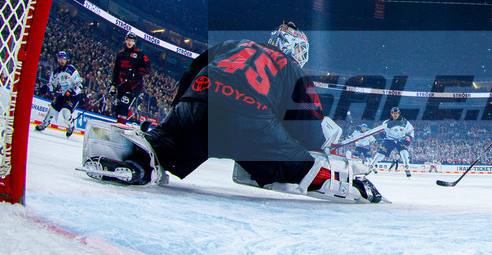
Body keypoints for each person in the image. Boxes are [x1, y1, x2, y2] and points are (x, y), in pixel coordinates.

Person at [80, 21, 383, 203]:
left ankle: (139, 158)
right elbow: (305, 126)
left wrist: (177, 115)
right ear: (294, 49)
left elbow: (192, 71)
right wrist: (320, 142)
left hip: (196, 106)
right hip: (251, 124)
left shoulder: (235, 44)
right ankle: (345, 183)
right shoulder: (290, 67)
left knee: (165, 146)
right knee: (302, 165)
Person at [34, 51, 85, 137]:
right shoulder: (56, 72)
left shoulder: (71, 69)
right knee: (52, 109)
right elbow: (52, 85)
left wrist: (71, 91)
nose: (62, 61)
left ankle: (71, 126)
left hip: (74, 95)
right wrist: (46, 88)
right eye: (60, 59)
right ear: (58, 60)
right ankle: (44, 124)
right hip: (63, 94)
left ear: (66, 60)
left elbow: (79, 83)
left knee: (65, 111)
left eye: (63, 59)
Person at [112, 32, 150, 124]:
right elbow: (116, 71)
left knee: (124, 104)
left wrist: (135, 72)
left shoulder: (139, 55)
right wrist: (113, 85)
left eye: (132, 41)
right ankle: (119, 124)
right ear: (125, 40)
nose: (130, 42)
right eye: (128, 40)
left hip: (134, 86)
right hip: (122, 86)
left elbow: (147, 69)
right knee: (117, 107)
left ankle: (121, 125)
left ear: (134, 42)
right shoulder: (120, 55)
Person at [369, 106, 415, 177]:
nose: (395, 114)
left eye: (396, 113)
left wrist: (409, 138)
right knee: (381, 154)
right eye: (393, 113)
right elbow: (382, 131)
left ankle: (407, 168)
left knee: (404, 152)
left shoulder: (405, 122)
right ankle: (371, 166)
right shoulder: (386, 122)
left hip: (400, 140)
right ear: (391, 114)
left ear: (399, 114)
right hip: (389, 140)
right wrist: (382, 135)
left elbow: (411, 131)